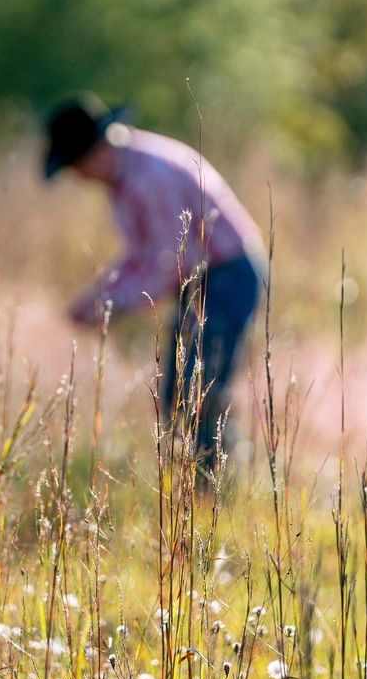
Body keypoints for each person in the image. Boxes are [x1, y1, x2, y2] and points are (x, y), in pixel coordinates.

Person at [43, 93, 267, 479]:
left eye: (76, 166)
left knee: (198, 391)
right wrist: (100, 296)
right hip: (205, 278)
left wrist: (110, 304)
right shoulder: (130, 174)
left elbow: (168, 261)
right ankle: (214, 482)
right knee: (184, 391)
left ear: (96, 152)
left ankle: (215, 488)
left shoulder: (149, 178)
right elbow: (145, 256)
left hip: (227, 275)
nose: (78, 178)